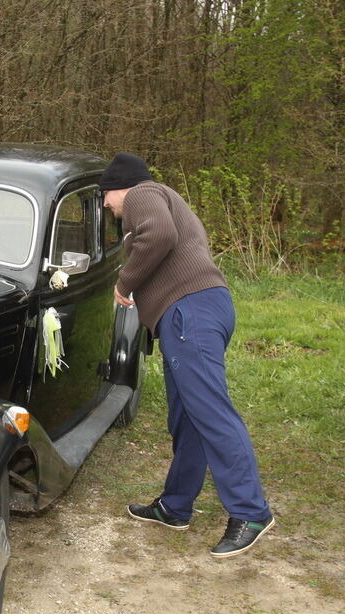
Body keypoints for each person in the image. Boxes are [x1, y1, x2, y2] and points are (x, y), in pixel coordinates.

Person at [102, 152, 274, 558]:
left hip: (190, 312)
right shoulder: (167, 198)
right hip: (199, 309)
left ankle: (251, 512)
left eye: (106, 195)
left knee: (211, 412)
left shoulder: (144, 194)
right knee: (188, 416)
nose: (107, 205)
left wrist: (125, 284)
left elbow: (158, 236)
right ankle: (175, 506)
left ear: (120, 186)